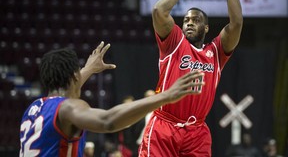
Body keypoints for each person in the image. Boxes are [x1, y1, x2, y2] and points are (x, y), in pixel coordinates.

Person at [138, 0, 243, 157]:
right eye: (186, 20)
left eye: (195, 20)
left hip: (197, 132)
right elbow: (159, 11)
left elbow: (237, 23)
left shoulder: (216, 52)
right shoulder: (174, 42)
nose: (189, 23)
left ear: (206, 28)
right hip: (164, 126)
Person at [19, 41, 205, 156]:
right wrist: (165, 96)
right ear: (74, 77)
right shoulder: (68, 108)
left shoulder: (34, 109)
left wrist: (89, 69)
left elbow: (69, 86)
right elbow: (107, 121)